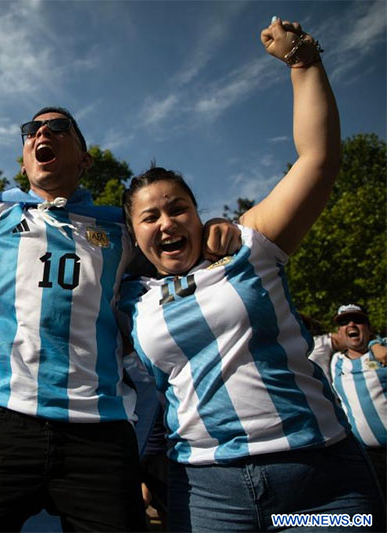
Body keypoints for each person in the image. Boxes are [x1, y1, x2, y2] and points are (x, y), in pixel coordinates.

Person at [0, 60, 241, 529]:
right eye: (31, 130)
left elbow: (176, 241)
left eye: (56, 128)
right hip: (5, 425)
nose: (40, 134)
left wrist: (212, 228)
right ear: (26, 155)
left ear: (85, 160)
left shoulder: (122, 226)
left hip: (100, 430)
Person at [118, 18, 385, 531]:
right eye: (150, 217)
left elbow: (318, 160)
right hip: (206, 495)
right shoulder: (129, 298)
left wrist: (303, 61)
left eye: (179, 209)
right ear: (134, 234)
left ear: (199, 213)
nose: (167, 223)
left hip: (322, 485)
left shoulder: (250, 246)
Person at [328, 304, 386, 496]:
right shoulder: (335, 361)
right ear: (339, 332)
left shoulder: (382, 352)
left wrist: (375, 344)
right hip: (367, 458)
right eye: (344, 322)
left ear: (368, 327)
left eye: (358, 320)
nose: (351, 324)